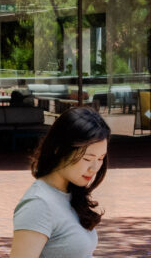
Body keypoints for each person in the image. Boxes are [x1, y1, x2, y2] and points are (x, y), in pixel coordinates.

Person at [12, 107, 110, 258]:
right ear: (59, 149)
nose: (94, 168)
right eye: (87, 159)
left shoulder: (69, 194)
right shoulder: (39, 204)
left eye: (100, 158)